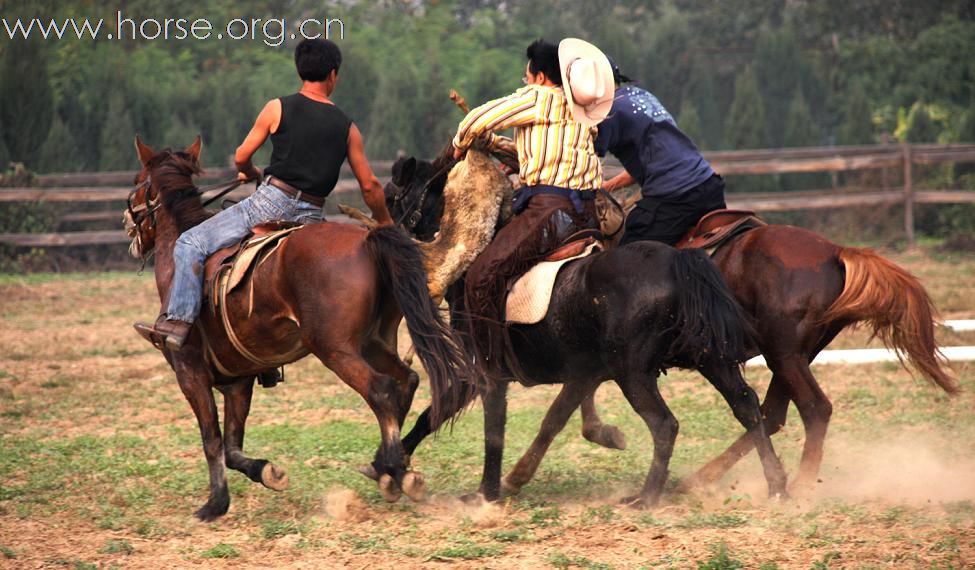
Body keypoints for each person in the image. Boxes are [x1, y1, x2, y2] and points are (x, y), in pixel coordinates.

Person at [135, 38, 393, 351]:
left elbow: (241, 155)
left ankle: (176, 323)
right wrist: (385, 223)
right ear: (333, 75)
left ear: (300, 72)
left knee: (190, 242)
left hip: (270, 204)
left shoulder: (277, 108)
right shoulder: (348, 128)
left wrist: (251, 172)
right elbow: (369, 186)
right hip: (312, 216)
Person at [451, 37, 614, 371]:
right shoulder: (581, 113)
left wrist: (460, 143)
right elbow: (536, 160)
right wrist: (494, 145)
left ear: (540, 76)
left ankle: (486, 363)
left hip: (549, 214)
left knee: (480, 277)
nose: (525, 82)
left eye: (527, 76)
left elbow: (474, 120)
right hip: (587, 216)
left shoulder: (539, 97)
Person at [595, 59, 725, 246]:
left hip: (676, 198)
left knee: (625, 257)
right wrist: (607, 188)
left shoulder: (607, 112)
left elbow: (586, 163)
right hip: (709, 185)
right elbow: (651, 162)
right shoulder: (641, 94)